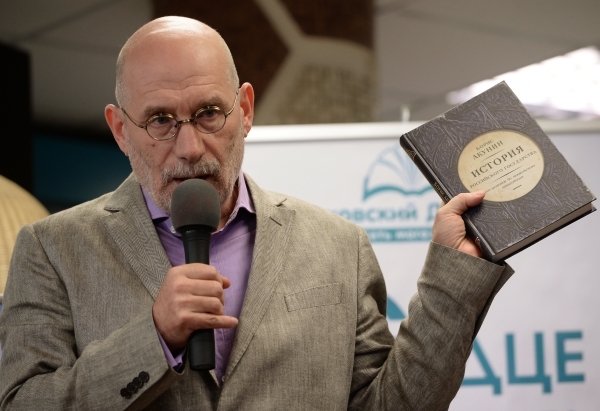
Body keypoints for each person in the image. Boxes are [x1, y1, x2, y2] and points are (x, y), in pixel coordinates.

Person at [0, 16, 513, 410]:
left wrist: (452, 276)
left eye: (208, 113)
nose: (189, 148)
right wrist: (153, 337)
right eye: (160, 120)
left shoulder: (338, 246)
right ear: (119, 129)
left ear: (244, 110)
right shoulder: (52, 250)